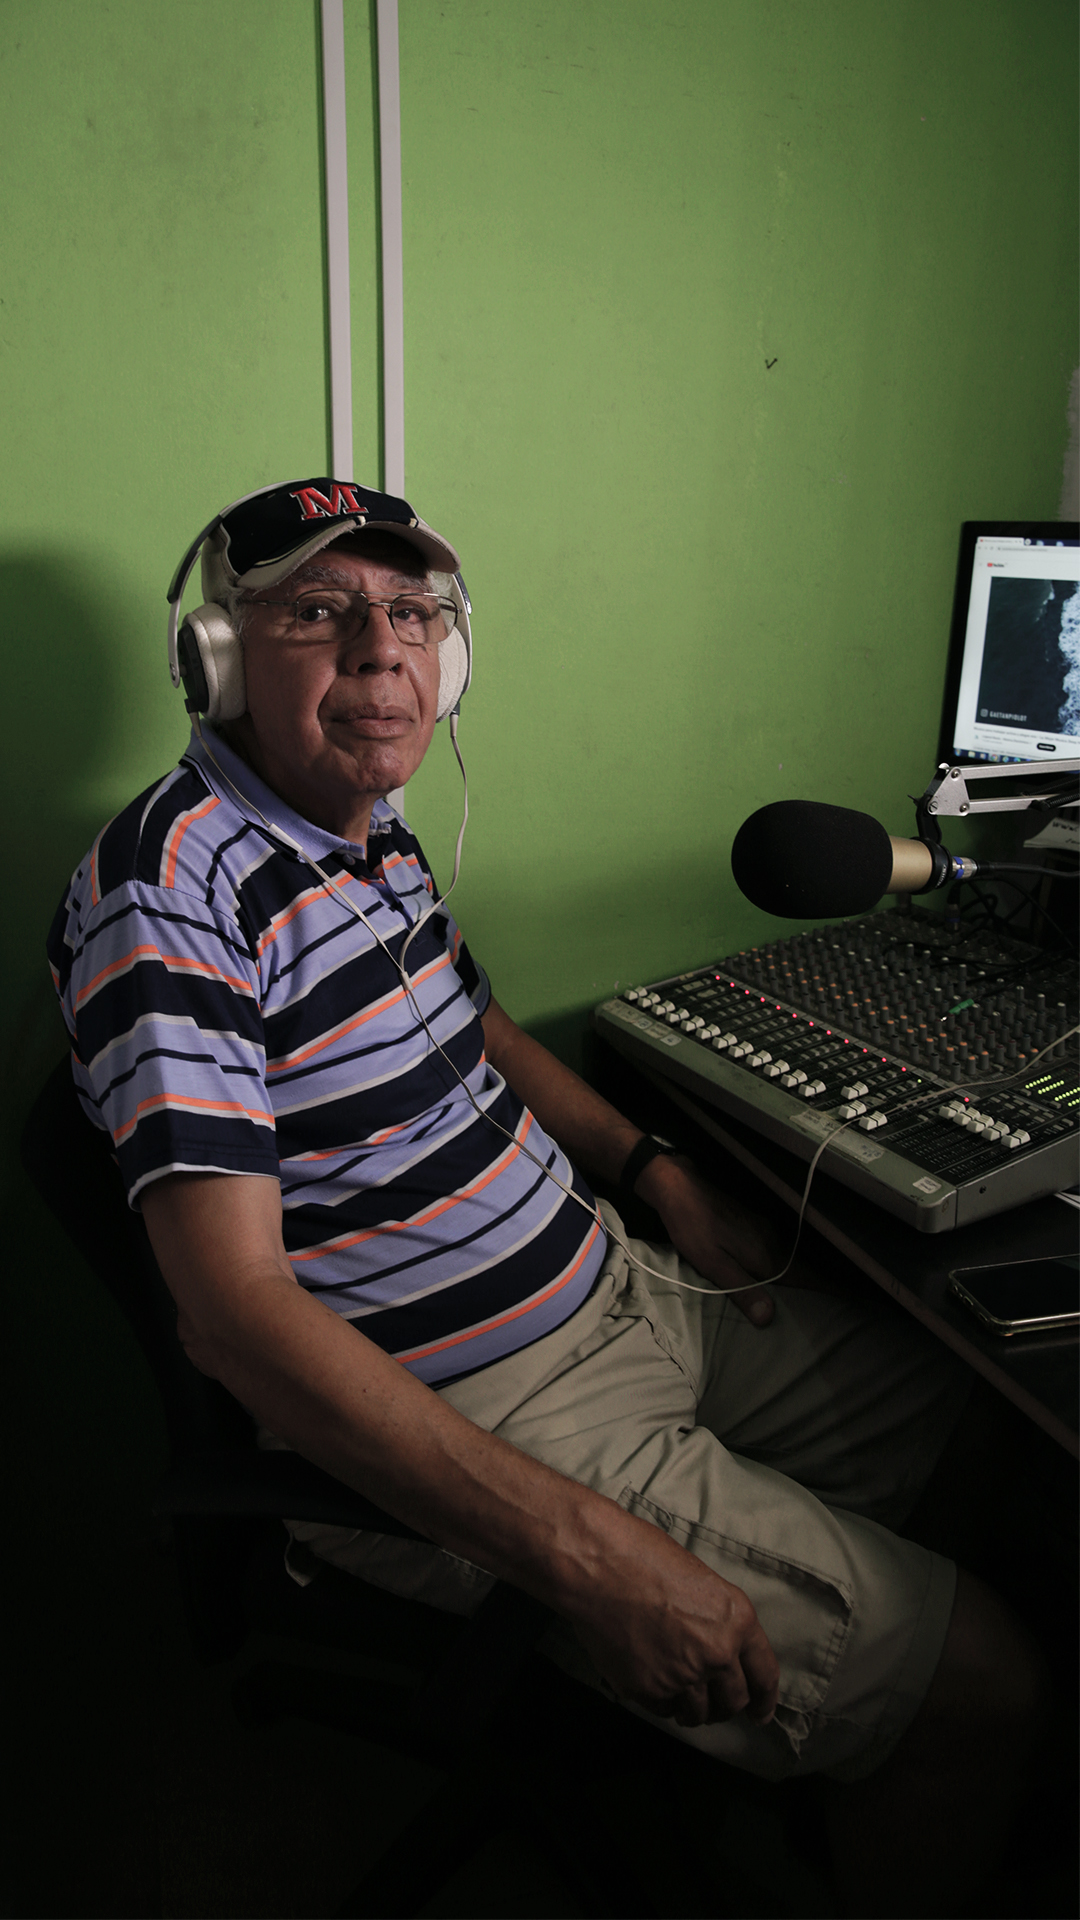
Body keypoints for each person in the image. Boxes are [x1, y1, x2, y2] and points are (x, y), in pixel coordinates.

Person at [49, 479, 1046, 1917]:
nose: (380, 652)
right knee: (990, 1688)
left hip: (617, 1279)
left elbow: (486, 1028)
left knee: (985, 1435)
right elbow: (237, 1320)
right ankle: (922, 1749)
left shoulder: (368, 822)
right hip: (481, 1407)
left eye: (412, 615)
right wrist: (591, 1557)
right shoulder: (171, 893)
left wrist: (658, 1176)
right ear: (216, 656)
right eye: (318, 613)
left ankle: (863, 1771)